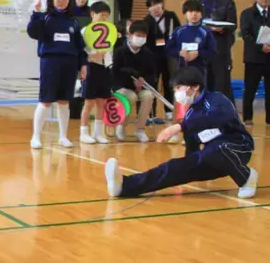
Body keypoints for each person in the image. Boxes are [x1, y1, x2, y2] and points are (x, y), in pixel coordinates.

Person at [105, 66, 257, 199]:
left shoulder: (216, 99)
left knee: (217, 149)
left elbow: (216, 117)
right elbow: (192, 148)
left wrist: (179, 127)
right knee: (172, 167)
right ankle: (125, 186)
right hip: (212, 156)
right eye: (174, 89)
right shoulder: (190, 115)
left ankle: (247, 177)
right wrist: (186, 166)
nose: (176, 93)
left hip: (238, 149)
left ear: (195, 87)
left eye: (179, 87)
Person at [27, 0, 87, 149]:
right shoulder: (45, 17)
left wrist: (83, 65)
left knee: (64, 101)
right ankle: (36, 137)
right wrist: (36, 12)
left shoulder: (73, 21)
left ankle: (63, 137)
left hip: (70, 64)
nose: (61, 1)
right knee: (45, 100)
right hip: (50, 62)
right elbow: (33, 33)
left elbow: (80, 47)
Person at [112, 20, 155, 143]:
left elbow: (151, 73)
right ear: (130, 35)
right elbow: (115, 73)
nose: (140, 38)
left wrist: (143, 81)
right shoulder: (120, 51)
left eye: (143, 36)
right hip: (122, 86)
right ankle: (121, 126)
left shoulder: (148, 54)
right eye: (138, 35)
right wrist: (130, 81)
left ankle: (140, 129)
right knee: (130, 97)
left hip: (141, 87)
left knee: (149, 96)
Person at [197, 0, 237, 102]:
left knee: (222, 85)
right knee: (203, 84)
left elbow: (232, 24)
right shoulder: (198, 3)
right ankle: (205, 111)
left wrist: (221, 29)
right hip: (202, 49)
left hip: (220, 49)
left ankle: (226, 112)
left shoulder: (227, 1)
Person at [143, 0, 180, 123]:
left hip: (169, 54)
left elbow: (178, 31)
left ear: (162, 4)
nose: (154, 8)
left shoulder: (171, 16)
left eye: (156, 4)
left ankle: (169, 110)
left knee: (169, 82)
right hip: (153, 56)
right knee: (152, 84)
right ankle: (151, 112)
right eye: (151, 6)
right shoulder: (147, 20)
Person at [79, 1, 112, 144]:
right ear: (93, 14)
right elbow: (81, 51)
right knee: (89, 102)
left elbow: (110, 49)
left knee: (101, 102)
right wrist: (92, 56)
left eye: (107, 16)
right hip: (91, 67)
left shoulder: (109, 31)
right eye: (102, 15)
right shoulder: (85, 31)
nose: (105, 18)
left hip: (105, 67)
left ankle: (98, 133)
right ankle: (83, 132)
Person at [240, 0, 270, 126]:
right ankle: (247, 117)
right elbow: (246, 34)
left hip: (269, 57)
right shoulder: (247, 14)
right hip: (253, 58)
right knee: (250, 89)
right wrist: (260, 47)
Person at [167, 0, 216, 82]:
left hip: (200, 72)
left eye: (197, 11)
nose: (194, 14)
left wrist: (198, 53)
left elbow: (212, 51)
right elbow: (169, 49)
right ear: (185, 13)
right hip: (181, 70)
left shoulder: (206, 32)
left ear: (201, 14)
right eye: (190, 11)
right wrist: (179, 52)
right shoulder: (178, 31)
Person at [69, 0, 90, 119]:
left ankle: (81, 110)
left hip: (86, 49)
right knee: (72, 80)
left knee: (84, 79)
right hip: (71, 49)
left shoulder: (90, 12)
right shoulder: (69, 11)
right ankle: (71, 109)